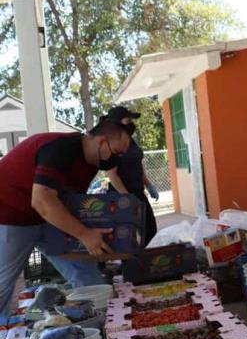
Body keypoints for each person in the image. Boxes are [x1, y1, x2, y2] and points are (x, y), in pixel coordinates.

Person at [0, 119, 132, 313]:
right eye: (117, 153)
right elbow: (41, 200)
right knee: (3, 283)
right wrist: (85, 235)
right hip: (11, 214)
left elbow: (70, 203)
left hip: (49, 216)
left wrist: (98, 238)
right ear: (102, 142)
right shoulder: (60, 149)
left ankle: (102, 323)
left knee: (86, 274)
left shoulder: (90, 163)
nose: (118, 159)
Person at [102, 106, 159, 246]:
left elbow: (138, 166)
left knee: (150, 229)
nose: (131, 124)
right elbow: (112, 175)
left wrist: (148, 185)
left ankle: (143, 262)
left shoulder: (130, 140)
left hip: (138, 192)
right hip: (121, 196)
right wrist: (126, 198)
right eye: (128, 120)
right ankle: (127, 265)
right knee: (127, 235)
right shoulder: (111, 142)